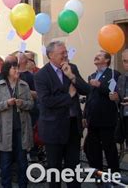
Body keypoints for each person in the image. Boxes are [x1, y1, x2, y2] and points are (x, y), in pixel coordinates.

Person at [34, 41, 90, 188]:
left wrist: (72, 76)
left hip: (73, 127)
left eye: (66, 52)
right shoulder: (41, 75)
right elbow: (45, 101)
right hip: (54, 128)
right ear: (51, 55)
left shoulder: (72, 68)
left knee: (73, 168)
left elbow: (86, 90)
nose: (65, 55)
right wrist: (69, 96)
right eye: (62, 53)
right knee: (55, 170)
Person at [0, 61, 33, 188]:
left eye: (17, 68)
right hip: (4, 129)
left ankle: (23, 185)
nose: (17, 71)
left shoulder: (24, 85)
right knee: (6, 162)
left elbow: (31, 104)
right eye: (14, 68)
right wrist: (6, 103)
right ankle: (6, 185)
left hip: (21, 128)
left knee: (22, 161)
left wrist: (22, 103)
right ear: (7, 70)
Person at [84, 51, 120, 173]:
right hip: (92, 119)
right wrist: (85, 115)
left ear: (107, 60)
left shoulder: (114, 74)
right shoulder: (91, 76)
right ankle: (98, 174)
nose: (96, 56)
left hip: (106, 119)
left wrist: (99, 85)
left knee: (109, 149)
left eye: (99, 56)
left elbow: (114, 93)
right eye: (96, 55)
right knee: (92, 149)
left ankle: (114, 175)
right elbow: (89, 97)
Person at [116, 49, 128, 144]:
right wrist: (115, 98)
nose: (127, 64)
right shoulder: (121, 78)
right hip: (125, 119)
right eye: (125, 61)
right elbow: (119, 100)